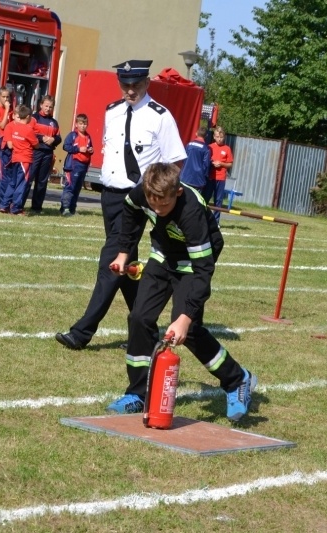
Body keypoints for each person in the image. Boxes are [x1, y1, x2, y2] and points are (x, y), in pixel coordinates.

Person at [107, 163, 256, 420]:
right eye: (152, 203)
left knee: (189, 331)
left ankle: (237, 380)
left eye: (163, 205)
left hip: (193, 263)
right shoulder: (144, 193)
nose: (156, 209)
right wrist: (123, 253)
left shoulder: (191, 212)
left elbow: (203, 271)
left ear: (176, 193)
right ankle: (138, 393)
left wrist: (185, 317)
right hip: (163, 255)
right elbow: (130, 213)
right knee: (139, 318)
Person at [55, 59, 186, 350]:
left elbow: (176, 160)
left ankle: (82, 332)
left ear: (147, 83)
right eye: (124, 85)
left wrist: (158, 195)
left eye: (135, 85)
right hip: (110, 194)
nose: (130, 90)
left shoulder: (160, 116)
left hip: (137, 198)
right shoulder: (112, 111)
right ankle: (146, 329)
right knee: (126, 267)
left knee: (112, 262)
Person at [0, 104, 38, 215]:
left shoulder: (14, 127)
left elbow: (11, 144)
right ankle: (16, 208)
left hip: (15, 158)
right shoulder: (28, 129)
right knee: (22, 183)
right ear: (28, 117)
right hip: (25, 159)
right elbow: (36, 144)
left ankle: (4, 205)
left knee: (12, 182)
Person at [27, 94, 61, 214]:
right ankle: (19, 204)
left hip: (47, 153)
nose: (48, 109)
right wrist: (42, 138)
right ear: (41, 105)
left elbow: (59, 137)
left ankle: (37, 207)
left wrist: (53, 140)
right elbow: (29, 132)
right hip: (35, 151)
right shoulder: (34, 118)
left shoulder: (54, 122)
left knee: (42, 181)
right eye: (46, 106)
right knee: (28, 178)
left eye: (50, 107)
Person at [60, 113, 93, 216]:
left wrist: (90, 150)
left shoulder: (88, 136)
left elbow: (90, 148)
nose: (83, 126)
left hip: (83, 166)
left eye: (85, 124)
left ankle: (72, 208)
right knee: (70, 186)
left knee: (77, 188)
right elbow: (66, 146)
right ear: (76, 124)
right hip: (74, 164)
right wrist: (78, 149)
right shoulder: (73, 135)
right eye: (81, 123)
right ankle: (65, 208)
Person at [203, 126, 233, 224]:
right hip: (210, 177)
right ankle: (202, 219)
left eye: (221, 137)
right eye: (217, 137)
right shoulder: (210, 147)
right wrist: (212, 163)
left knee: (218, 201)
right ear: (214, 137)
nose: (219, 139)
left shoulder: (227, 149)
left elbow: (230, 164)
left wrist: (221, 164)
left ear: (224, 137)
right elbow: (206, 160)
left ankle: (216, 222)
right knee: (205, 198)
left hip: (221, 178)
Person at [179, 126, 210, 192]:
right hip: (198, 180)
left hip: (185, 177)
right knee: (195, 200)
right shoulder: (206, 149)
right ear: (206, 135)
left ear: (196, 133)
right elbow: (206, 165)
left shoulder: (189, 145)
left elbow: (183, 159)